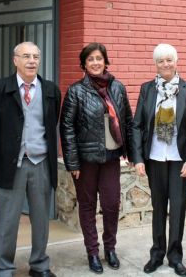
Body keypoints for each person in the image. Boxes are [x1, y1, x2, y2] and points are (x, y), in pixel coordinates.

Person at [0, 42, 61, 277]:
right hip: (10, 164)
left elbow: (51, 123)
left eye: (36, 56)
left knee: (41, 219)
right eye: (26, 56)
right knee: (6, 220)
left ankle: (39, 265)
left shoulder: (50, 90)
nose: (32, 61)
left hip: (41, 163)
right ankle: (4, 267)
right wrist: (3, 151)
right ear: (14, 60)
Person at [130, 44, 186, 276]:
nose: (165, 64)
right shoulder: (147, 89)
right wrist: (138, 158)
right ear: (155, 64)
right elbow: (137, 125)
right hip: (155, 158)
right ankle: (156, 254)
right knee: (158, 207)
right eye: (161, 60)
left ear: (176, 61)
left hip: (179, 159)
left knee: (178, 209)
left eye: (169, 60)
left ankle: (175, 256)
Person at [60, 42, 134, 274]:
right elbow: (67, 128)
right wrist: (72, 163)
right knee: (88, 206)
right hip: (86, 161)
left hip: (112, 158)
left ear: (105, 61)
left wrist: (132, 153)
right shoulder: (76, 91)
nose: (95, 63)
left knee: (112, 204)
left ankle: (110, 248)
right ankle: (92, 251)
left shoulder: (118, 88)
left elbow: (128, 122)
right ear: (84, 64)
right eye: (90, 59)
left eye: (99, 58)